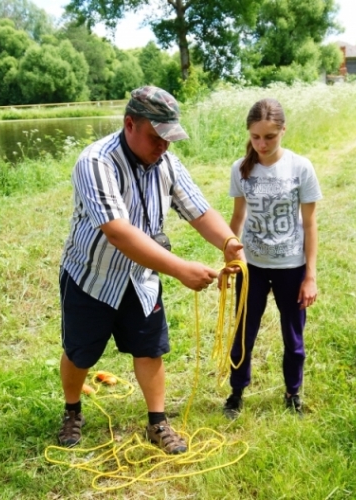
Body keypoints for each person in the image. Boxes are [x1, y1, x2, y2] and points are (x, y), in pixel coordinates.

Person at [57, 86, 244, 454]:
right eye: (157, 137)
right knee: (80, 353)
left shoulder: (167, 163)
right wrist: (179, 269)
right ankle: (72, 410)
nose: (164, 147)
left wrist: (230, 244)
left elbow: (199, 209)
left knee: (149, 350)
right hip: (91, 277)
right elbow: (118, 232)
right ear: (130, 124)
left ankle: (157, 423)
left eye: (169, 139)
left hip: (140, 280)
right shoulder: (96, 161)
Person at [223, 98, 322, 419]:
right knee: (243, 333)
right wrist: (229, 257)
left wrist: (310, 276)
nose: (262, 144)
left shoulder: (300, 168)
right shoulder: (241, 169)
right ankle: (236, 392)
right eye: (255, 137)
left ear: (283, 130)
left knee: (293, 338)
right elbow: (237, 218)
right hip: (251, 268)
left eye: (270, 137)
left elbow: (309, 224)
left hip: (290, 268)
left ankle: (293, 393)